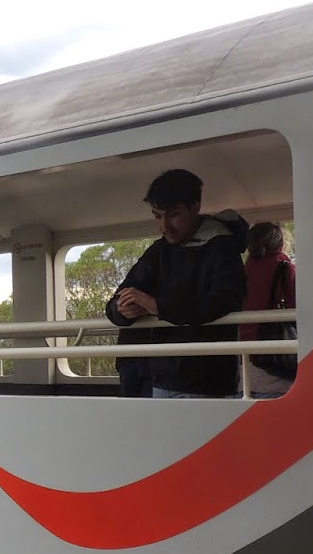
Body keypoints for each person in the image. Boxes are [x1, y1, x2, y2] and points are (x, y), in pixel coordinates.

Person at [105, 169, 248, 398]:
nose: (164, 226)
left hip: (208, 379)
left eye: (173, 215)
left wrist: (157, 306)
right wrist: (123, 310)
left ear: (195, 207)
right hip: (162, 376)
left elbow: (226, 300)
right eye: (157, 216)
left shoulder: (222, 247)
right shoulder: (158, 251)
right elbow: (117, 300)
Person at [239, 222, 297, 399]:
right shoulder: (285, 268)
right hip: (274, 358)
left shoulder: (242, 271)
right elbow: (298, 304)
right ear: (280, 243)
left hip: (243, 359)